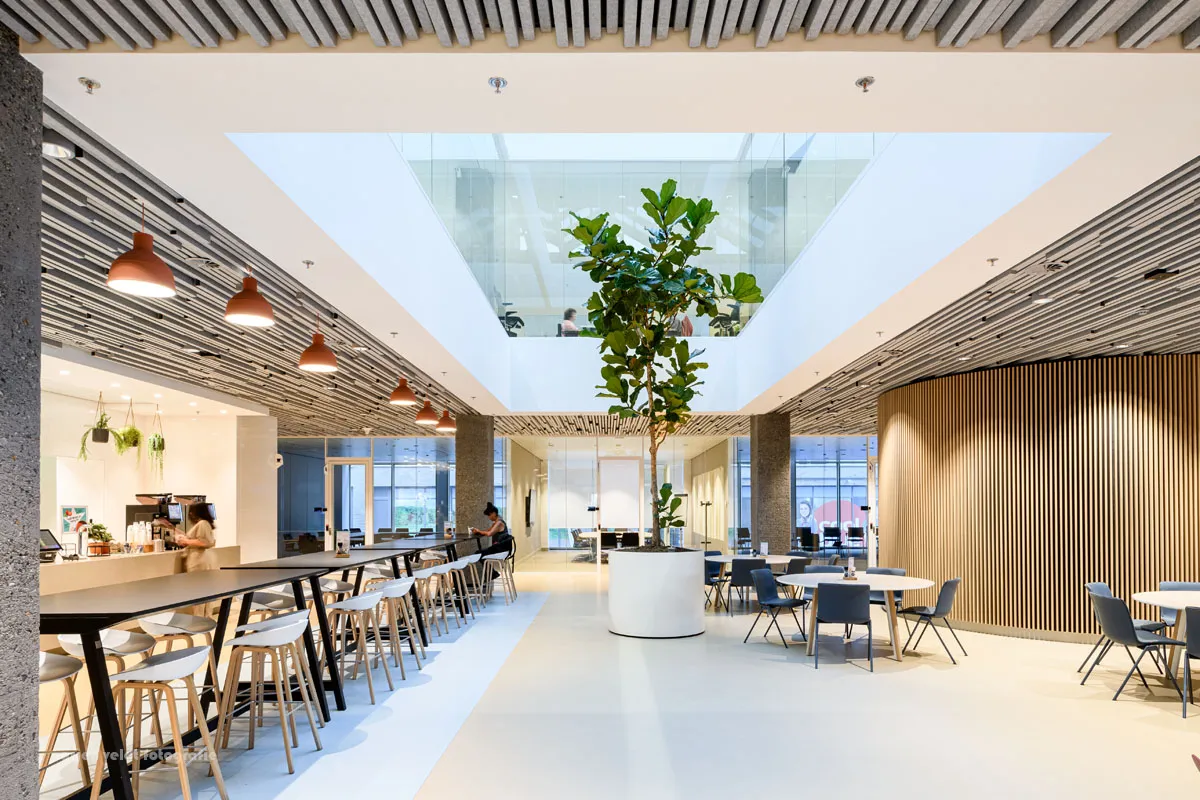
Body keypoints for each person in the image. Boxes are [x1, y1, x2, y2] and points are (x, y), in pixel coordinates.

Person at [154, 503, 218, 573]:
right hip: (196, 560)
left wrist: (185, 541)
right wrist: (172, 528)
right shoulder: (201, 523)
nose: (190, 514)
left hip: (199, 561)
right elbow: (190, 538)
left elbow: (204, 542)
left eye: (192, 511)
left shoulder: (203, 523)